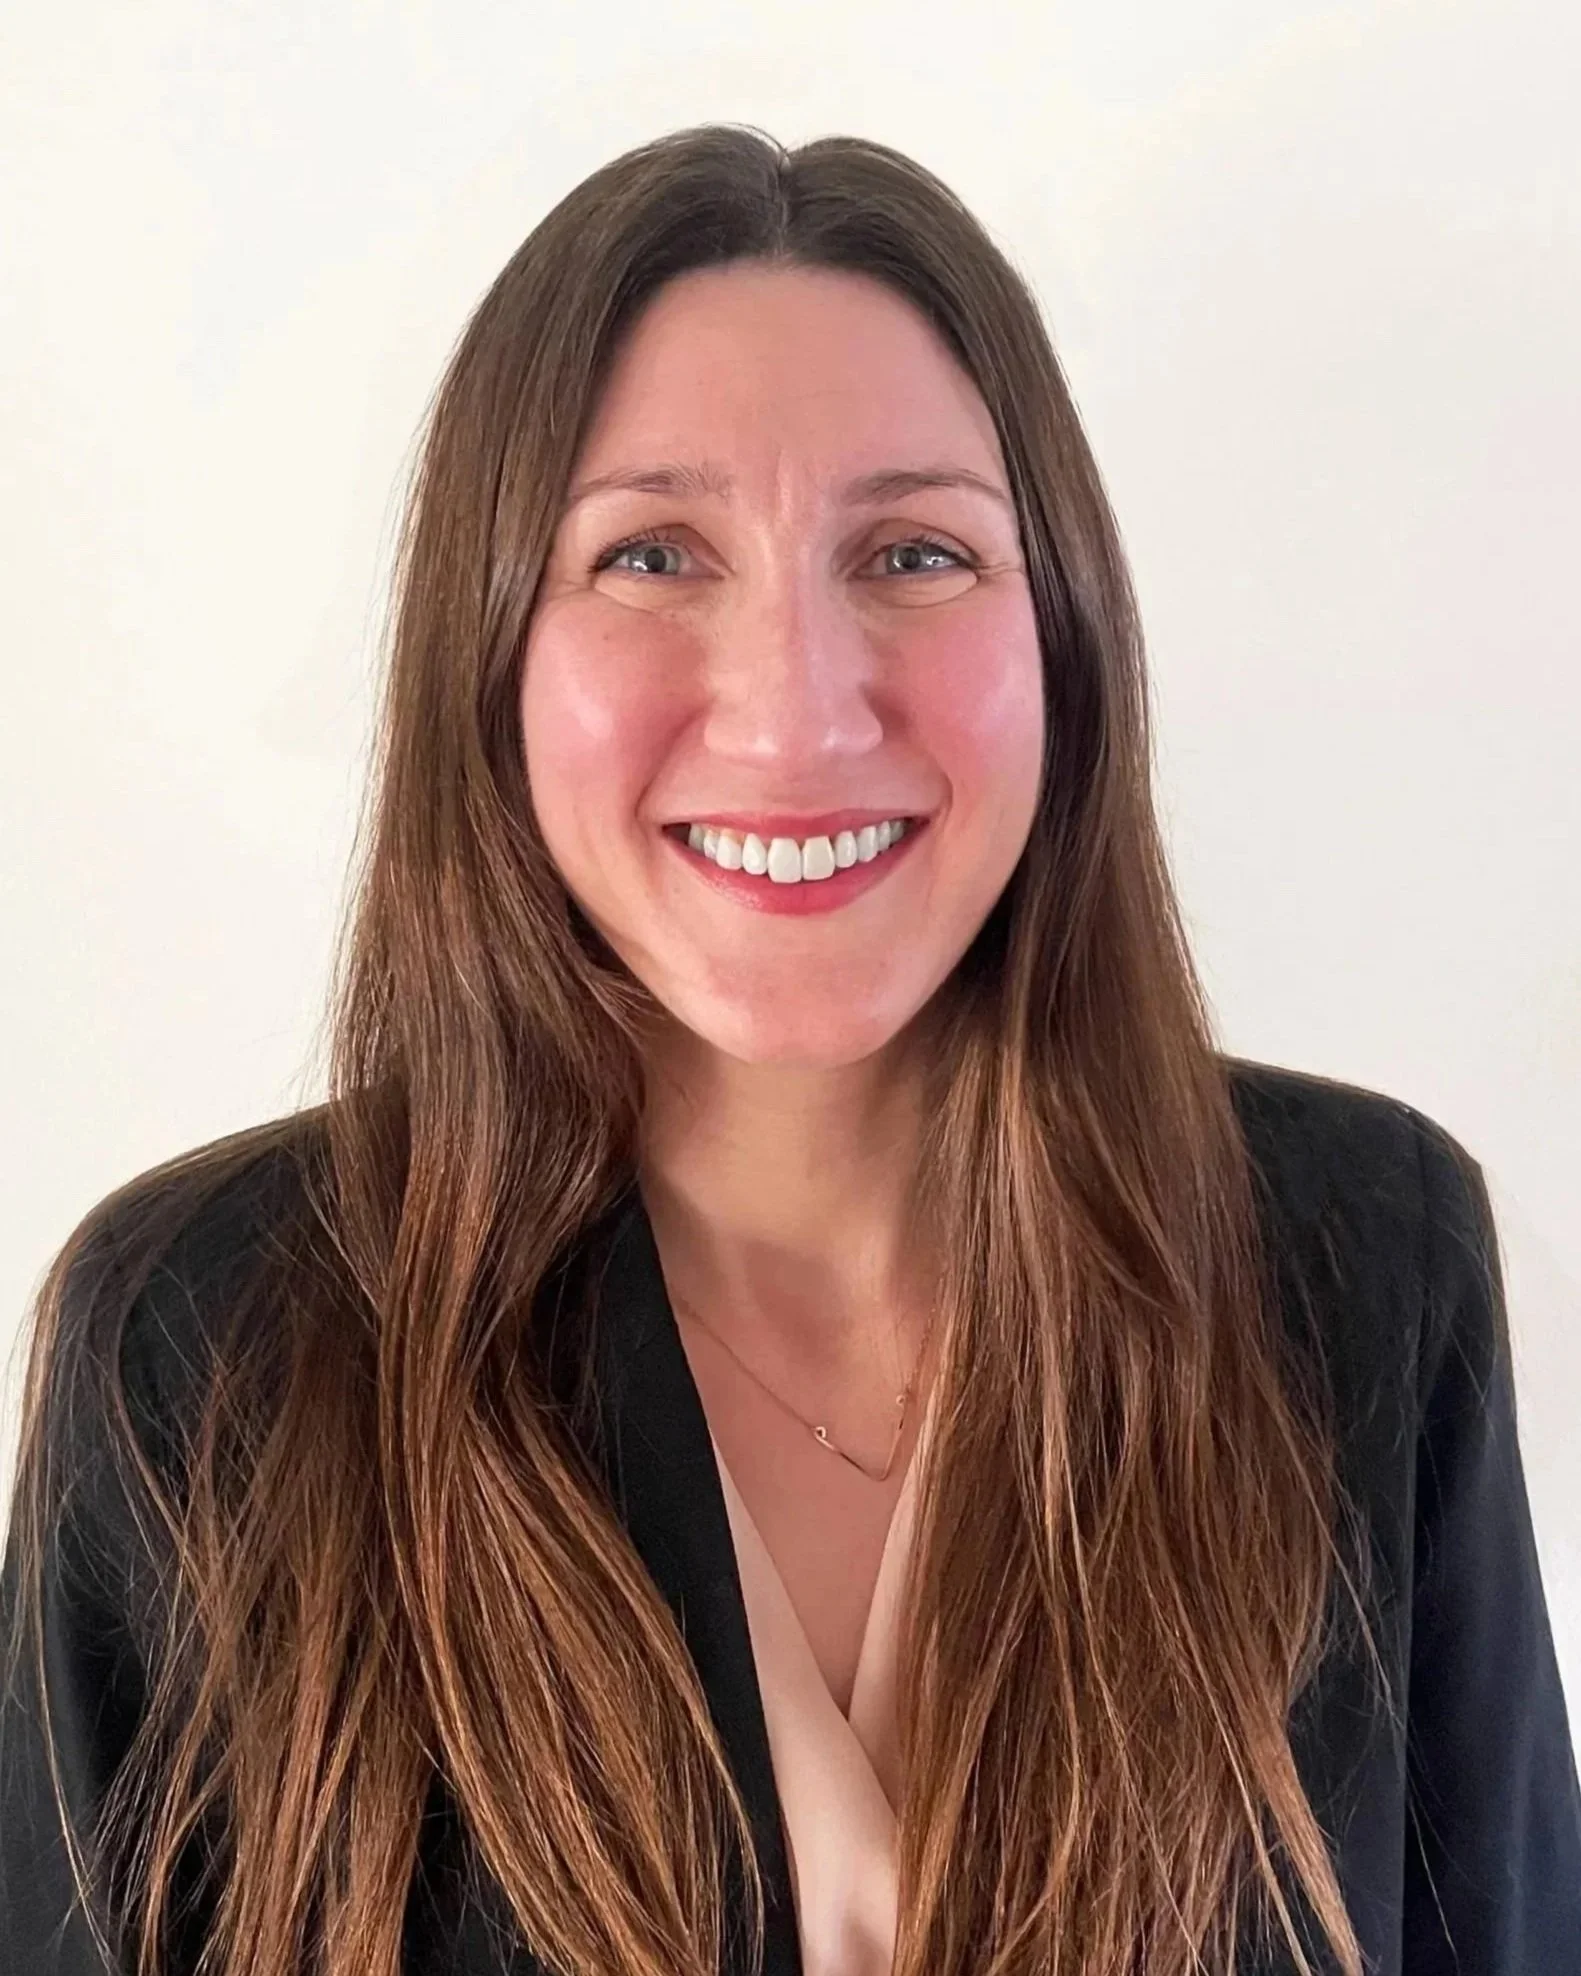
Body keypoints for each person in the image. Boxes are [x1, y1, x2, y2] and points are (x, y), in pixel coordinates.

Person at [2, 121, 1577, 1976]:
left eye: (913, 550)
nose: (798, 714)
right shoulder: (201, 1341)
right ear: (488, 654)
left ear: (1062, 631)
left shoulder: (1366, 1263)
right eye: (655, 554)